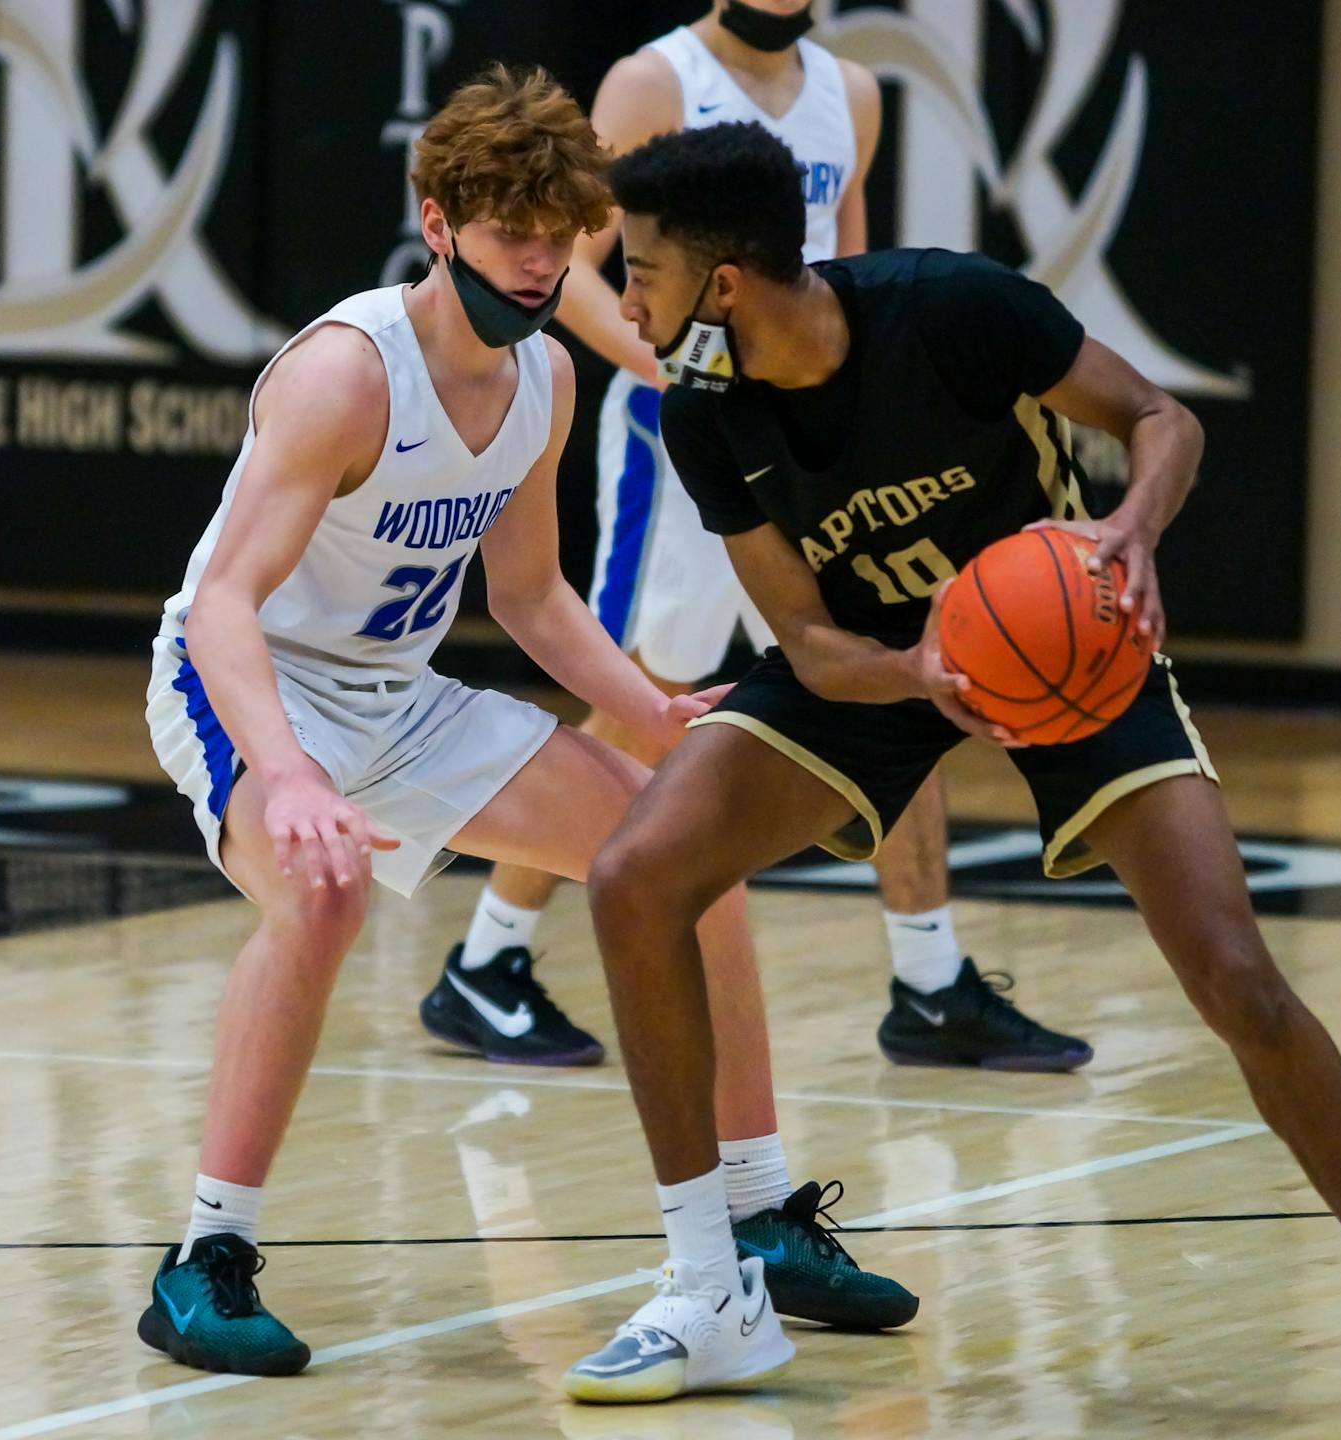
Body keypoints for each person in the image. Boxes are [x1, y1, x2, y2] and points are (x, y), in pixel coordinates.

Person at [562, 122, 1341, 1431]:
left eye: (643, 268)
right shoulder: (709, 410)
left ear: (725, 280)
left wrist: (1130, 529)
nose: (624, 299)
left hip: (1074, 643)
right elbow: (816, 648)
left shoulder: (953, 309)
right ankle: (710, 1290)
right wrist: (927, 673)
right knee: (634, 877)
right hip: (890, 671)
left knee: (1236, 975)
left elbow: (1158, 418)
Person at [137, 70, 912, 1379]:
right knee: (321, 897)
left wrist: (651, 704)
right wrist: (292, 776)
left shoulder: (544, 376)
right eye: (516, 238)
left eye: (563, 239)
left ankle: (760, 1212)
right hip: (246, 685)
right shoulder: (346, 374)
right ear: (438, 225)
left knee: (687, 856)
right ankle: (204, 1259)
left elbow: (533, 597)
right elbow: (221, 607)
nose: (545, 264)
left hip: (395, 694)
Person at [418, 0, 1090, 1075]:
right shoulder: (653, 80)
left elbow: (849, 276)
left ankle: (928, 979)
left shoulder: (852, 93)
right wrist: (669, 367)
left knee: (891, 673)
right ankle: (486, 960)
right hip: (679, 433)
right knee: (645, 695)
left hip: (810, 440)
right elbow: (579, 266)